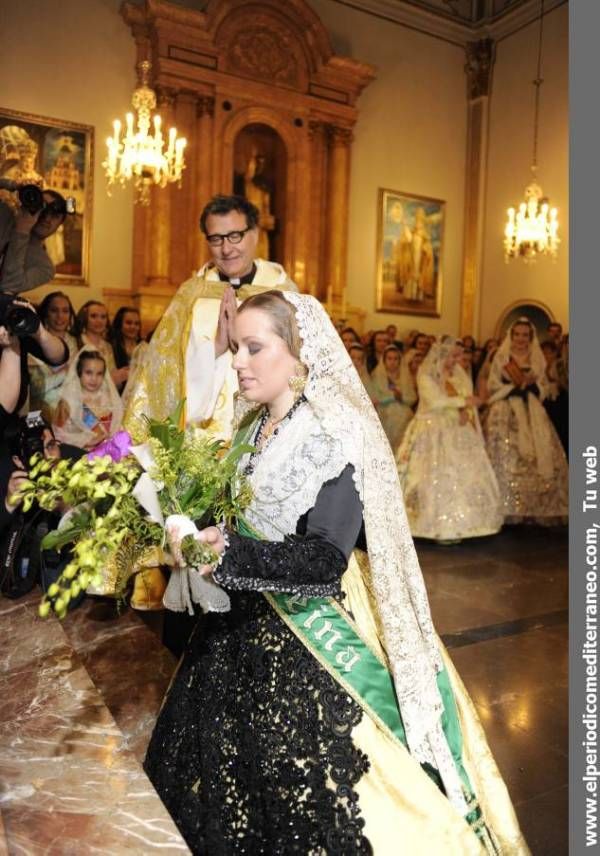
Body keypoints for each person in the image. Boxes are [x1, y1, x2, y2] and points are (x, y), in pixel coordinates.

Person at [144, 291, 528, 854]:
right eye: (237, 347)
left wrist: (224, 557)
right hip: (237, 632)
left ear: (297, 355)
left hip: (313, 635)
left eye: (255, 347)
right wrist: (189, 528)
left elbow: (325, 560)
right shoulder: (250, 427)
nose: (240, 361)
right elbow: (235, 516)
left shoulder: (333, 434)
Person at [123, 194, 297, 441]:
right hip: (202, 438)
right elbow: (164, 373)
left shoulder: (283, 293)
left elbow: (300, 368)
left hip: (268, 432)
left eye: (235, 236)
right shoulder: (192, 295)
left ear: (255, 234)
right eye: (216, 239)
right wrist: (214, 348)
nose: (226, 249)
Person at [397, 337, 502, 542]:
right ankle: (428, 523)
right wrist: (463, 402)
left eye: (458, 356)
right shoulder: (426, 374)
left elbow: (466, 397)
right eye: (453, 356)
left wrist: (466, 409)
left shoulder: (458, 375)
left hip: (455, 429)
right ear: (442, 354)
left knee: (459, 474)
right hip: (430, 429)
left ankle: (461, 524)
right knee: (429, 475)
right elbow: (435, 401)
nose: (456, 360)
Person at [485, 318, 568, 524]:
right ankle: (507, 509)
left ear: (530, 337)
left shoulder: (537, 358)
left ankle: (532, 509)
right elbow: (492, 384)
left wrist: (534, 388)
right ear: (511, 336)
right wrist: (511, 388)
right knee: (508, 454)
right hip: (506, 409)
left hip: (532, 410)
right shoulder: (502, 357)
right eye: (517, 335)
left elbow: (544, 386)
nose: (521, 339)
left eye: (525, 335)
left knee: (538, 456)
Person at [0, 181, 71, 293]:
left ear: (59, 225)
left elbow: (9, 286)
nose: (47, 218)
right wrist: (13, 185)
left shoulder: (45, 268)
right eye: (42, 209)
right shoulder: (4, 214)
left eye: (55, 215)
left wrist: (22, 230)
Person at [53, 347, 123, 450]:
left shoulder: (109, 398)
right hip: (80, 454)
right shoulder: (68, 402)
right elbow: (58, 434)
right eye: (88, 373)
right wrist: (85, 441)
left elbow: (117, 425)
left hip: (110, 451)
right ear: (79, 373)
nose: (94, 379)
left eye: (99, 374)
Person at [28, 291, 78, 423]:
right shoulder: (34, 343)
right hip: (38, 414)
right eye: (54, 310)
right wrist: (66, 372)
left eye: (65, 311)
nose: (60, 316)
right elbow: (36, 389)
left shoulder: (76, 342)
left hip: (72, 411)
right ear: (45, 314)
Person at [370, 344, 416, 449]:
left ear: (400, 361)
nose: (392, 362)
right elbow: (374, 398)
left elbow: (412, 398)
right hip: (383, 411)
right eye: (389, 358)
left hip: (404, 412)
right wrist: (392, 397)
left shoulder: (405, 376)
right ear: (384, 360)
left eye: (396, 359)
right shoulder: (377, 375)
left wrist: (401, 397)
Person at [108, 306, 142, 393]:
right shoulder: (111, 347)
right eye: (128, 323)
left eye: (136, 324)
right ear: (120, 324)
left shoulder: (144, 347)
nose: (133, 327)